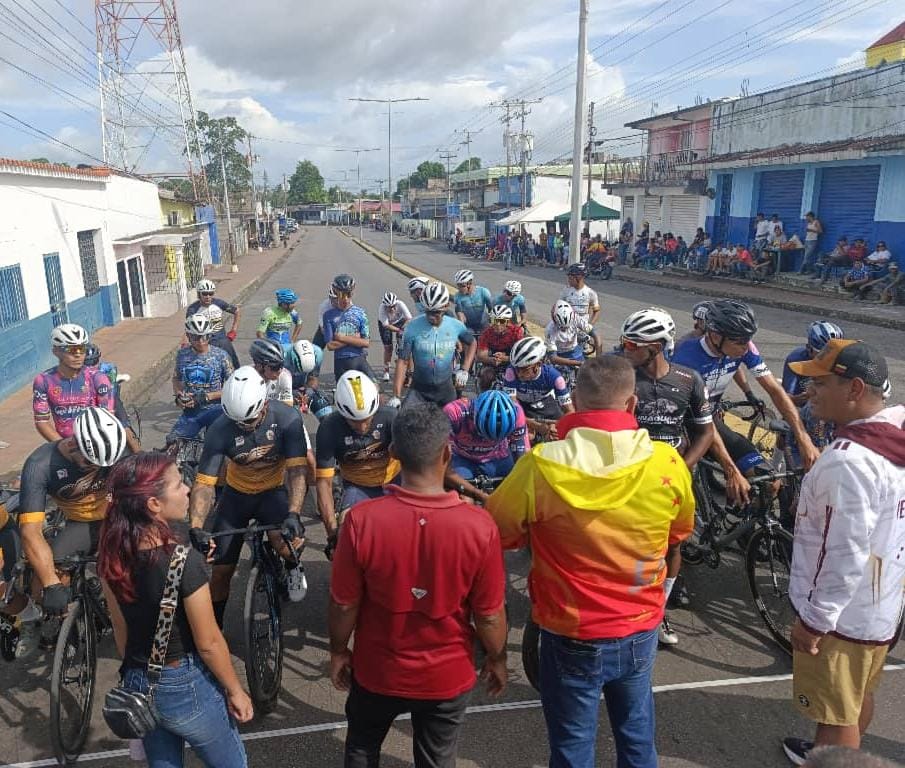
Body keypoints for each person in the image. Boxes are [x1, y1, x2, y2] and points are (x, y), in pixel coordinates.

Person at [487, 355, 695, 768]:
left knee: (572, 747)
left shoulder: (541, 465)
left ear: (576, 401)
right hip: (640, 626)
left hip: (571, 631)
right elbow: (678, 534)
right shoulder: (666, 463)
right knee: (637, 739)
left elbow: (498, 533)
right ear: (632, 405)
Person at [329, 402, 508, 768]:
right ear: (447, 452)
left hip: (377, 669)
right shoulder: (479, 526)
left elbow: (344, 603)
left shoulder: (362, 520)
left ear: (393, 454)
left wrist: (338, 651)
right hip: (447, 674)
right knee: (437, 756)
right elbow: (489, 615)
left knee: (362, 747)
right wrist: (498, 658)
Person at [781, 340, 905, 766]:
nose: (808, 391)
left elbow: (843, 554)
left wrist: (814, 622)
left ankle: (834, 756)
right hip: (880, 605)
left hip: (842, 618)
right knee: (857, 697)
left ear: (854, 388)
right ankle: (842, 753)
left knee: (834, 715)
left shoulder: (848, 462)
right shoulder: (896, 435)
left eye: (819, 382)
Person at [98, 452, 253, 767]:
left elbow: (121, 630)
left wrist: (136, 673)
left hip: (139, 680)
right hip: (185, 683)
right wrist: (235, 690)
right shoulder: (183, 562)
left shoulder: (111, 559)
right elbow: (209, 643)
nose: (187, 490)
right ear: (154, 505)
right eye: (179, 484)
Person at [619, 307, 714, 637]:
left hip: (672, 479)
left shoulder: (689, 380)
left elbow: (705, 432)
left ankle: (659, 609)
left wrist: (682, 468)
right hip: (630, 478)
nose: (624, 349)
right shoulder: (622, 379)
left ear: (656, 347)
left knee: (672, 547)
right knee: (629, 546)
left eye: (632, 345)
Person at [188, 367, 308, 626]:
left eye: (249, 421)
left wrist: (294, 513)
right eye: (238, 422)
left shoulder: (287, 418)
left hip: (273, 492)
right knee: (220, 573)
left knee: (288, 546)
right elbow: (204, 484)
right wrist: (196, 526)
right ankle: (214, 631)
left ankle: (292, 567)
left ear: (265, 404)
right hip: (236, 497)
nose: (243, 427)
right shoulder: (220, 429)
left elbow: (297, 471)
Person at [673, 299, 819, 503]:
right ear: (715, 336)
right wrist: (731, 470)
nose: (746, 347)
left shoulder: (743, 347)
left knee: (768, 481)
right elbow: (703, 423)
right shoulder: (686, 358)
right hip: (685, 424)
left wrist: (803, 438)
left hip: (712, 419)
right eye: (740, 342)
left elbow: (775, 390)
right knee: (677, 486)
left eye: (748, 340)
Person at [18, 407, 127, 643]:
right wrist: (51, 584)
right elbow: (31, 531)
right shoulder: (40, 464)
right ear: (73, 444)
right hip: (82, 522)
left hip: (118, 517)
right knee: (50, 575)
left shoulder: (117, 450)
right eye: (91, 463)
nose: (100, 469)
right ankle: (59, 625)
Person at [315, 372, 400, 559]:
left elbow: (415, 464)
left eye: (367, 419)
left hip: (393, 481)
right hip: (357, 486)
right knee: (345, 532)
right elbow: (324, 484)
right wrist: (332, 534)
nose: (361, 427)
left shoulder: (391, 417)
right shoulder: (329, 428)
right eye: (354, 421)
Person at [391, 282, 476, 408]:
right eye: (428, 311)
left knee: (455, 425)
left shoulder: (455, 325)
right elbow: (403, 361)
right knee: (404, 423)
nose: (431, 317)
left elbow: (472, 343)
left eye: (436, 312)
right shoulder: (412, 327)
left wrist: (465, 369)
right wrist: (396, 396)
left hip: (446, 389)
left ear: (446, 306)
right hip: (419, 390)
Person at [444, 382, 529, 503]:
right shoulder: (454, 413)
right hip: (462, 458)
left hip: (499, 457)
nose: (488, 441)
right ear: (473, 417)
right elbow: (440, 464)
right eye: (483, 434)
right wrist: (475, 493)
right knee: (464, 501)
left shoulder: (517, 413)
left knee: (513, 499)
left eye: (496, 438)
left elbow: (521, 456)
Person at [33, 324, 115, 442]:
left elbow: (108, 417)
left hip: (97, 440)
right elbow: (42, 421)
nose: (78, 354)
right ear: (56, 351)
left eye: (82, 349)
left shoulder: (98, 378)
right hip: (63, 442)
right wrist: (64, 446)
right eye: (71, 350)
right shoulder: (43, 381)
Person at [168, 315, 233, 444]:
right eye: (196, 337)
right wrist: (179, 395)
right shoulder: (182, 355)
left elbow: (233, 387)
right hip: (191, 412)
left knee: (218, 446)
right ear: (188, 335)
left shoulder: (221, 356)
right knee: (172, 443)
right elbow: (176, 378)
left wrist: (206, 397)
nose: (201, 341)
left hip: (216, 410)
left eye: (205, 336)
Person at [502, 336, 575, 440]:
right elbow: (513, 406)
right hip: (523, 405)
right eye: (516, 368)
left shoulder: (555, 377)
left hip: (546, 403)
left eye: (524, 369)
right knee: (526, 436)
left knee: (558, 436)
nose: (519, 373)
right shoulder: (511, 371)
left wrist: (557, 426)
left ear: (538, 364)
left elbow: (570, 411)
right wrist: (533, 424)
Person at [322, 274, 374, 379]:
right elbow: (330, 346)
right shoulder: (328, 316)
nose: (345, 299)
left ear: (352, 293)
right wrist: (355, 338)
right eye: (341, 294)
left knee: (376, 388)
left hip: (359, 359)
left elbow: (366, 342)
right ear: (336, 293)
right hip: (341, 363)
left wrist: (342, 338)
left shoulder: (360, 313)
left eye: (348, 294)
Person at [185, 279, 241, 368]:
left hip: (223, 340)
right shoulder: (193, 309)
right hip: (206, 342)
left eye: (210, 293)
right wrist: (186, 342)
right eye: (204, 293)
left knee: (234, 365)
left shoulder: (218, 303)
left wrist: (233, 330)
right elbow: (188, 327)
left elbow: (236, 311)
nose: (208, 296)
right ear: (199, 294)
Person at [545, 300, 599, 375]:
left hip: (575, 351)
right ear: (554, 320)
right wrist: (578, 363)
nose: (565, 330)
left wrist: (599, 359)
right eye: (562, 328)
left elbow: (596, 335)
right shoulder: (550, 329)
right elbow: (553, 358)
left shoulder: (576, 318)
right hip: (559, 355)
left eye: (567, 327)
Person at [476, 305, 524, 376]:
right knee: (486, 377)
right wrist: (492, 360)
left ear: (508, 321)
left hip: (512, 359)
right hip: (493, 359)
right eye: (494, 320)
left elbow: (521, 355)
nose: (498, 325)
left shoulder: (517, 332)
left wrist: (506, 358)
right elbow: (481, 355)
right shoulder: (487, 333)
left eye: (501, 321)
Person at [377, 291, 411, 383]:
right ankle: (386, 371)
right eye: (389, 307)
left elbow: (409, 318)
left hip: (400, 322)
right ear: (385, 306)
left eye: (393, 306)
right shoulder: (382, 309)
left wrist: (403, 330)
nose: (392, 309)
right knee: (388, 348)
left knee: (404, 344)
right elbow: (386, 325)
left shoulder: (400, 304)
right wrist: (399, 331)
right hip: (386, 324)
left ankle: (407, 370)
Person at [452, 269, 493, 336]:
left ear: (469, 283)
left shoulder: (483, 292)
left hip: (484, 324)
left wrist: (492, 325)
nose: (459, 289)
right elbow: (460, 314)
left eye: (462, 286)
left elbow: (491, 310)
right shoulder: (457, 296)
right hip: (469, 326)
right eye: (458, 286)